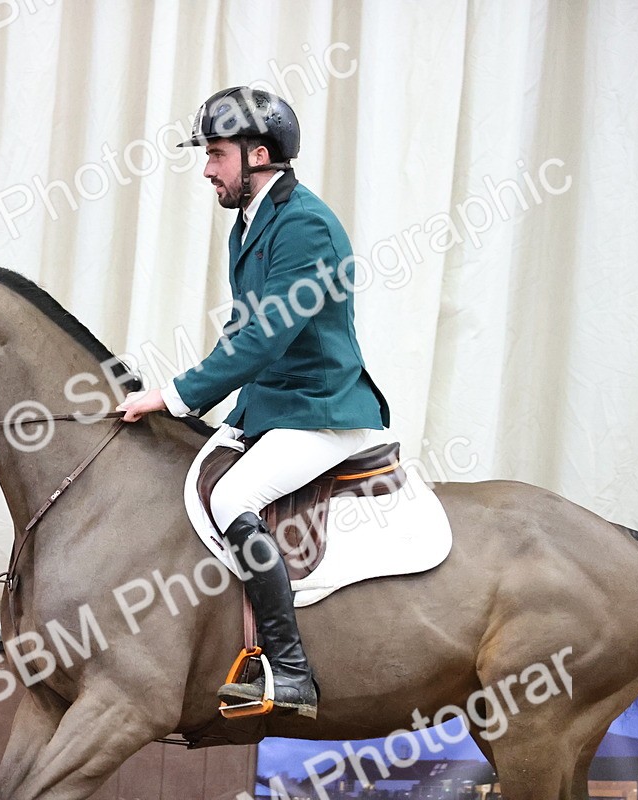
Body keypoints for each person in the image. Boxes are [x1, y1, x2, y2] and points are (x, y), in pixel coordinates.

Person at [117, 87, 390, 719]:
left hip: (322, 409)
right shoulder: (253, 221)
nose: (207, 169)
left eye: (215, 154)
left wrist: (175, 395)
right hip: (273, 406)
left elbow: (265, 338)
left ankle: (290, 671)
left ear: (257, 153)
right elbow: (242, 333)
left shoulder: (305, 225)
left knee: (232, 497)